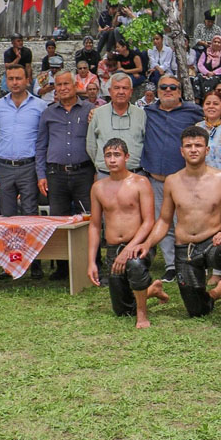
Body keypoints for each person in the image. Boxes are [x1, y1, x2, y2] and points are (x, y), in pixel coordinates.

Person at [142, 126, 221, 335]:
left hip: (213, 243)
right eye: (189, 146)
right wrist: (147, 244)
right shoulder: (172, 181)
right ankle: (218, 292)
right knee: (197, 311)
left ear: (207, 150)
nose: (193, 150)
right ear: (181, 151)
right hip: (185, 248)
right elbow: (164, 221)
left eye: (198, 145)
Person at [87, 139, 168, 329]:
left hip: (138, 245)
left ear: (127, 157)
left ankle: (142, 314)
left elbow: (149, 221)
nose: (112, 160)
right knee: (122, 310)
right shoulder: (98, 187)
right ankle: (151, 289)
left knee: (135, 264)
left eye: (117, 155)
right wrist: (91, 261)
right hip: (114, 247)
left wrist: (130, 248)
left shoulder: (140, 182)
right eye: (108, 155)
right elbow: (95, 226)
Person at [140, 75, 204, 281]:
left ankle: (188, 263)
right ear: (157, 91)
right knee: (163, 224)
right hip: (156, 180)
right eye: (163, 87)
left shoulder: (193, 111)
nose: (168, 90)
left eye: (173, 87)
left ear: (180, 91)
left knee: (184, 223)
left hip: (182, 181)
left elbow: (213, 117)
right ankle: (170, 266)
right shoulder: (147, 112)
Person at [36, 70, 96, 280]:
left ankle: (91, 263)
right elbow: (41, 145)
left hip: (84, 172)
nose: (62, 88)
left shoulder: (90, 110)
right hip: (56, 174)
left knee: (88, 219)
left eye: (66, 84)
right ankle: (62, 268)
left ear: (75, 85)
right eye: (58, 85)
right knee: (59, 220)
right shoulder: (48, 113)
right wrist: (41, 174)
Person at [0, 65, 45, 277]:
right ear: (6, 81)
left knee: (30, 214)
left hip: (28, 166)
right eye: (10, 78)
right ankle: (9, 264)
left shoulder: (39, 105)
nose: (15, 82)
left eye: (18, 78)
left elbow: (41, 140)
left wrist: (40, 172)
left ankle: (34, 263)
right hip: (3, 166)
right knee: (7, 217)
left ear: (27, 80)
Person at [87, 72, 146, 178]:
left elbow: (146, 143)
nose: (121, 92)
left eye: (125, 88)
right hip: (105, 175)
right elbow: (91, 145)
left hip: (135, 175)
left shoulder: (141, 114)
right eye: (117, 88)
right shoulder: (97, 114)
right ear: (109, 91)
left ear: (131, 92)